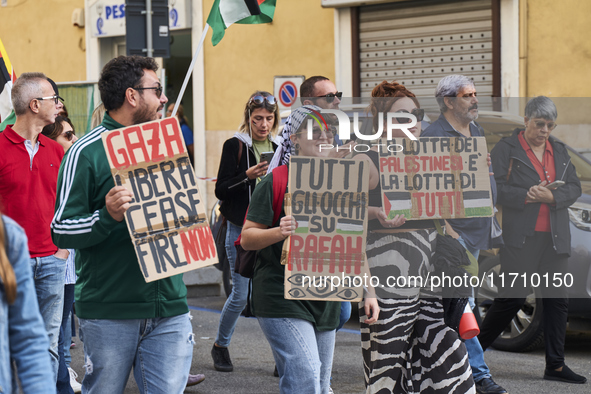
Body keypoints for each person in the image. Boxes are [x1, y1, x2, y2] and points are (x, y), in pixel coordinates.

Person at [51, 55, 193, 393]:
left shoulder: (166, 145)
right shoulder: (85, 152)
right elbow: (60, 229)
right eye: (156, 90)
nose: (164, 98)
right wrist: (106, 216)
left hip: (170, 306)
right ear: (132, 96)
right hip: (109, 310)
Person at [241, 105, 374, 393]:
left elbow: (355, 242)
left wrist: (370, 292)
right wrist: (280, 231)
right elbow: (248, 238)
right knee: (306, 377)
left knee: (321, 386)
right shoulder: (276, 181)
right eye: (315, 130)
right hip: (280, 295)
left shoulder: (343, 182)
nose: (324, 136)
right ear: (295, 139)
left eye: (329, 131)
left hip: (326, 296)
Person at [355, 80, 474, 394]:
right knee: (387, 368)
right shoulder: (367, 159)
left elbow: (442, 215)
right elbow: (343, 221)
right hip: (386, 276)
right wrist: (376, 213)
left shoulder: (423, 159)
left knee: (451, 360)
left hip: (428, 274)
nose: (415, 122)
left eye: (416, 114)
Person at [479, 96, 586, 384]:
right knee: (511, 298)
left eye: (550, 125)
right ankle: (470, 356)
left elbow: (574, 187)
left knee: (557, 302)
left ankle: (556, 366)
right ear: (526, 120)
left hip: (555, 239)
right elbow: (493, 188)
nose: (545, 130)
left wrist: (553, 196)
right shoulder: (507, 149)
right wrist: (526, 194)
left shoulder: (559, 150)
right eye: (539, 124)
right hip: (521, 237)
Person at [421, 75, 506, 394]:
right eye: (467, 95)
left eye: (475, 94)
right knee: (463, 303)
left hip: (478, 228)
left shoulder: (477, 130)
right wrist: (447, 228)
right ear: (448, 101)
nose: (474, 100)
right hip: (454, 236)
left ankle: (447, 368)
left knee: (457, 305)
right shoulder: (434, 135)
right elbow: (428, 188)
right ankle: (479, 375)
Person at [0, 72, 67, 381]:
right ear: (34, 104)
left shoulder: (57, 151)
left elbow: (67, 203)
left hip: (52, 261)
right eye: (54, 99)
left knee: (49, 344)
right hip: (11, 264)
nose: (59, 105)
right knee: (7, 345)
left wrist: (62, 250)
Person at [211, 91, 279, 372]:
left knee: (271, 294)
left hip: (269, 230)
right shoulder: (235, 146)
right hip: (239, 229)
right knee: (240, 295)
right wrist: (246, 177)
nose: (263, 124)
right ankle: (220, 345)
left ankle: (283, 355)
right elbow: (220, 189)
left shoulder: (278, 146)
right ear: (248, 119)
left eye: (268, 118)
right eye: (257, 119)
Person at [299, 75, 352, 328]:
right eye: (329, 97)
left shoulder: (336, 134)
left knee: (342, 311)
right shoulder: (298, 137)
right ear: (310, 102)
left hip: (335, 235)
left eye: (337, 94)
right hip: (305, 239)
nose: (337, 100)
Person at [41, 116, 81, 393]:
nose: (74, 139)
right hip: (50, 262)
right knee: (50, 337)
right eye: (67, 136)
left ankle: (64, 379)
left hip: (65, 266)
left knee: (60, 334)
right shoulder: (48, 170)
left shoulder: (73, 172)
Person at [0, 214, 56, 394]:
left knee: (51, 338)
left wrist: (62, 252)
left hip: (48, 258)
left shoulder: (7, 235)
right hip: (32, 256)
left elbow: (28, 339)